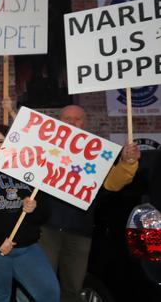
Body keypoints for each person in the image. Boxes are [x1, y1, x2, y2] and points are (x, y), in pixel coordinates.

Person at [38, 104, 141, 302]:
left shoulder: (96, 153)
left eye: (77, 119)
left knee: (73, 288)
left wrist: (128, 163)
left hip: (80, 232)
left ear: (85, 123)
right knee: (43, 286)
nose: (72, 122)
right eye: (67, 118)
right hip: (46, 230)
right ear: (59, 121)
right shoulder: (45, 146)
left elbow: (113, 183)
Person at [0, 125, 59, 302]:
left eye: (0, 141)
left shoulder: (29, 171)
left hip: (26, 247)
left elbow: (45, 213)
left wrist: (34, 208)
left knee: (49, 292)